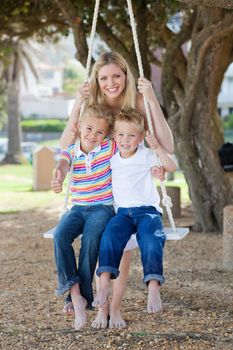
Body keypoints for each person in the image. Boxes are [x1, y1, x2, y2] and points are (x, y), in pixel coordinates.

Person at [60, 51, 174, 329]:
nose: (111, 83)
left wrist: (151, 100)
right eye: (104, 77)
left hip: (127, 194)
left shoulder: (135, 101)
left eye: (117, 76)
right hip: (98, 191)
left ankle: (115, 308)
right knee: (100, 247)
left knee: (122, 252)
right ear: (96, 80)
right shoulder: (92, 104)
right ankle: (95, 306)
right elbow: (66, 144)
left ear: (126, 76)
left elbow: (167, 146)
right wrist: (77, 103)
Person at [92, 109, 177, 315]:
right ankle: (103, 282)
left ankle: (153, 284)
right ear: (114, 136)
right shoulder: (112, 158)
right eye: (120, 135)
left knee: (151, 238)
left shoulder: (147, 155)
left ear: (140, 138)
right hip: (122, 213)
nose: (125, 140)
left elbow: (171, 166)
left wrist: (157, 151)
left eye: (131, 135)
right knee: (109, 235)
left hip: (147, 211)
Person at [51, 104, 116, 330]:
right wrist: (59, 174)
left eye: (100, 132)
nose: (93, 136)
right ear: (78, 127)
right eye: (88, 129)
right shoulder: (71, 149)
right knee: (59, 235)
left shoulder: (109, 148)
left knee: (91, 239)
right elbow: (62, 163)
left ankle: (81, 298)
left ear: (106, 134)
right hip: (78, 207)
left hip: (103, 207)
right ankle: (75, 295)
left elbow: (131, 143)